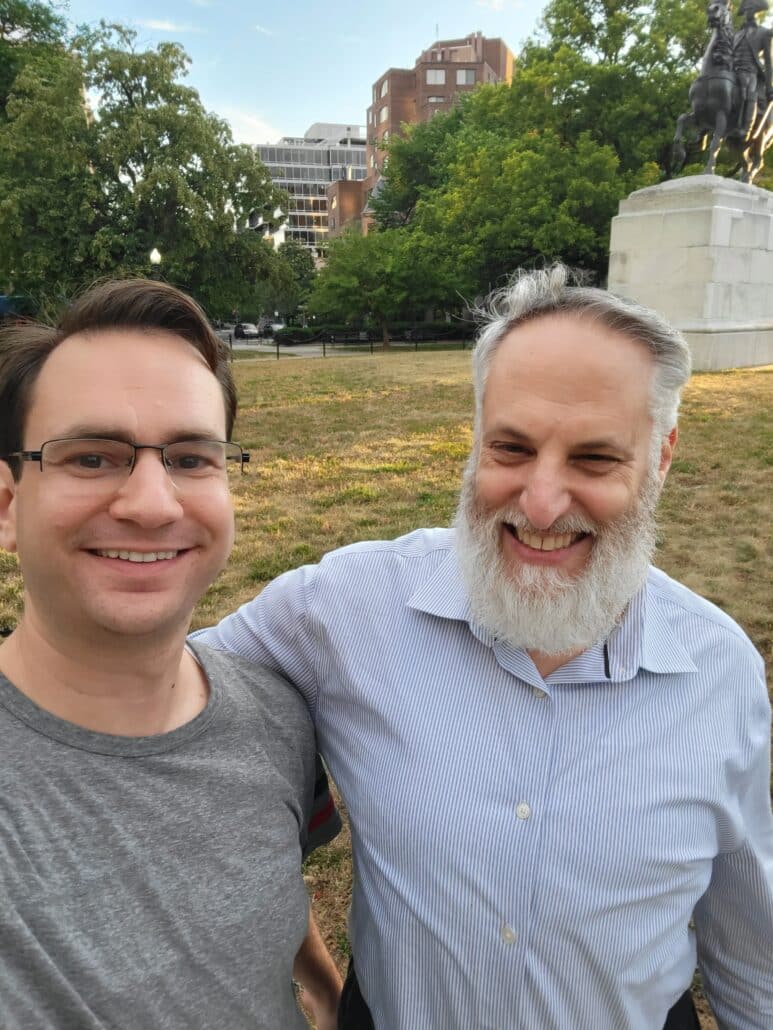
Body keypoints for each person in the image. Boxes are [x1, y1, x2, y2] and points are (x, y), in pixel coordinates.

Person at [197, 265, 773, 1029]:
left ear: (661, 456)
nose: (540, 502)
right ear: (475, 438)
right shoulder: (341, 609)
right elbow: (146, 689)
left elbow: (749, 953)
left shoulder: (720, 670)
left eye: (595, 459)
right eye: (509, 449)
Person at [0, 279, 342, 1028]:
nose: (152, 504)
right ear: (7, 504)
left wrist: (322, 990)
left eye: (191, 458)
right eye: (91, 457)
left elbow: (270, 881)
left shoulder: (277, 717)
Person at [732, 0, 773, 140]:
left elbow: (768, 62)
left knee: (750, 93)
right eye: (746, 8)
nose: (748, 11)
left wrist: (769, 87)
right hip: (734, 71)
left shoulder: (764, 33)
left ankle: (746, 129)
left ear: (757, 10)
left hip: (751, 72)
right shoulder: (737, 34)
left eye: (751, 8)